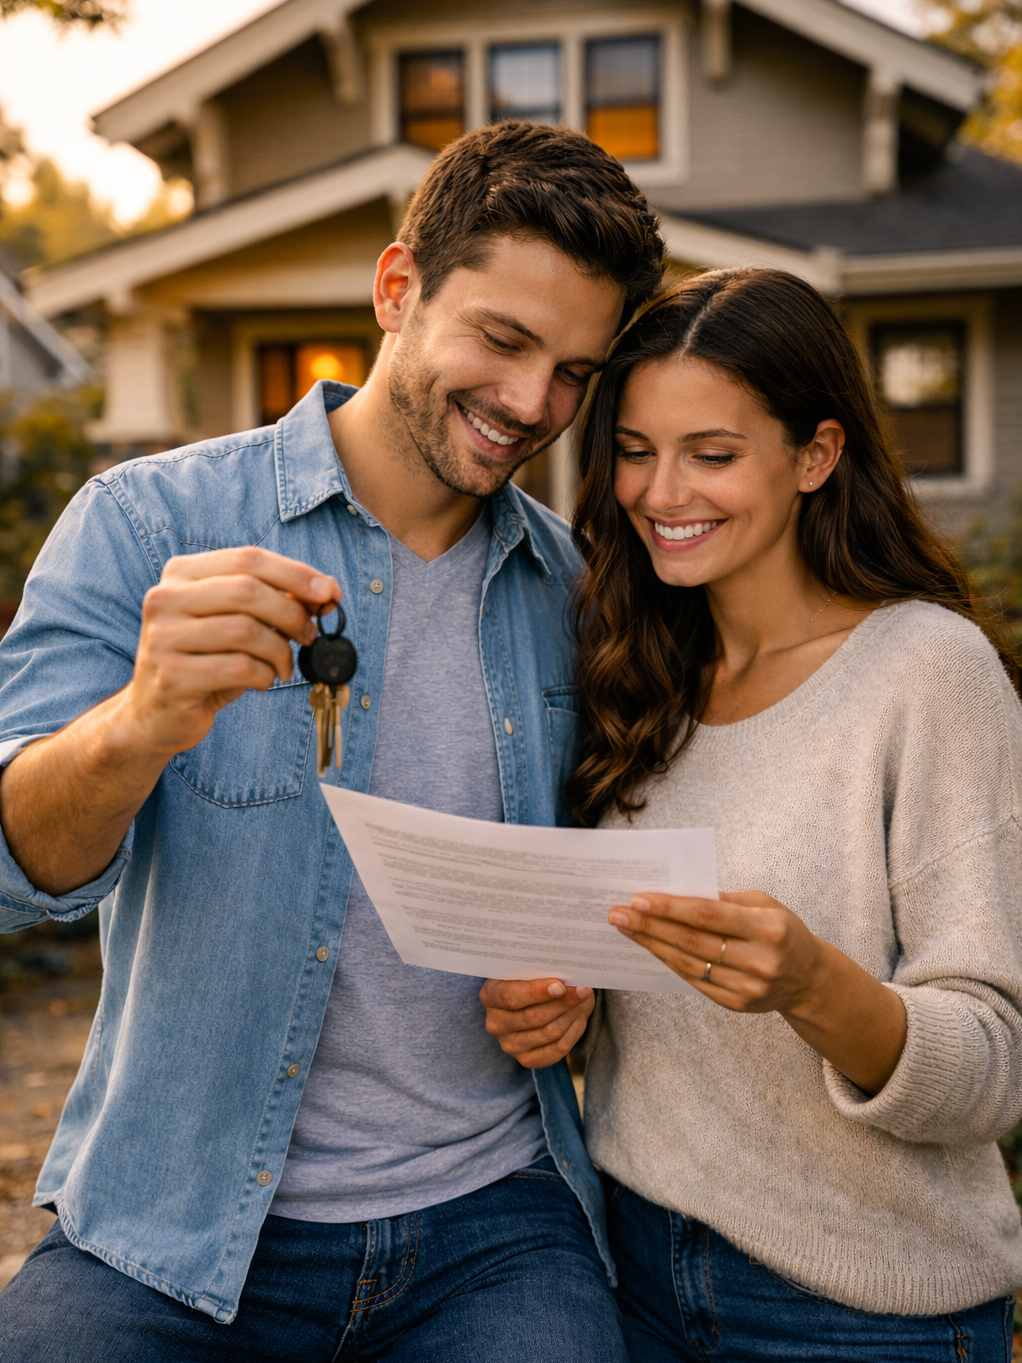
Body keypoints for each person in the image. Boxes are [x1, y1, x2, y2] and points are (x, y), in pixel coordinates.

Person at [0, 121, 664, 1362]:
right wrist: (139, 722)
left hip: (492, 1224)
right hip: (175, 1220)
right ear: (396, 287)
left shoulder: (575, 593)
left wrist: (574, 990)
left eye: (573, 373)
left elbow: (592, 898)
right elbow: (12, 870)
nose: (532, 405)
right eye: (504, 340)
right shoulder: (146, 522)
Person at [481, 268, 1022, 1362]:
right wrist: (564, 1003)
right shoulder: (635, 667)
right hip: (629, 1269)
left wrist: (812, 987)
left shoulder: (924, 673)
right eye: (633, 449)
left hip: (861, 1312)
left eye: (711, 454)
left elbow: (993, 1070)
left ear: (814, 456)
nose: (659, 492)